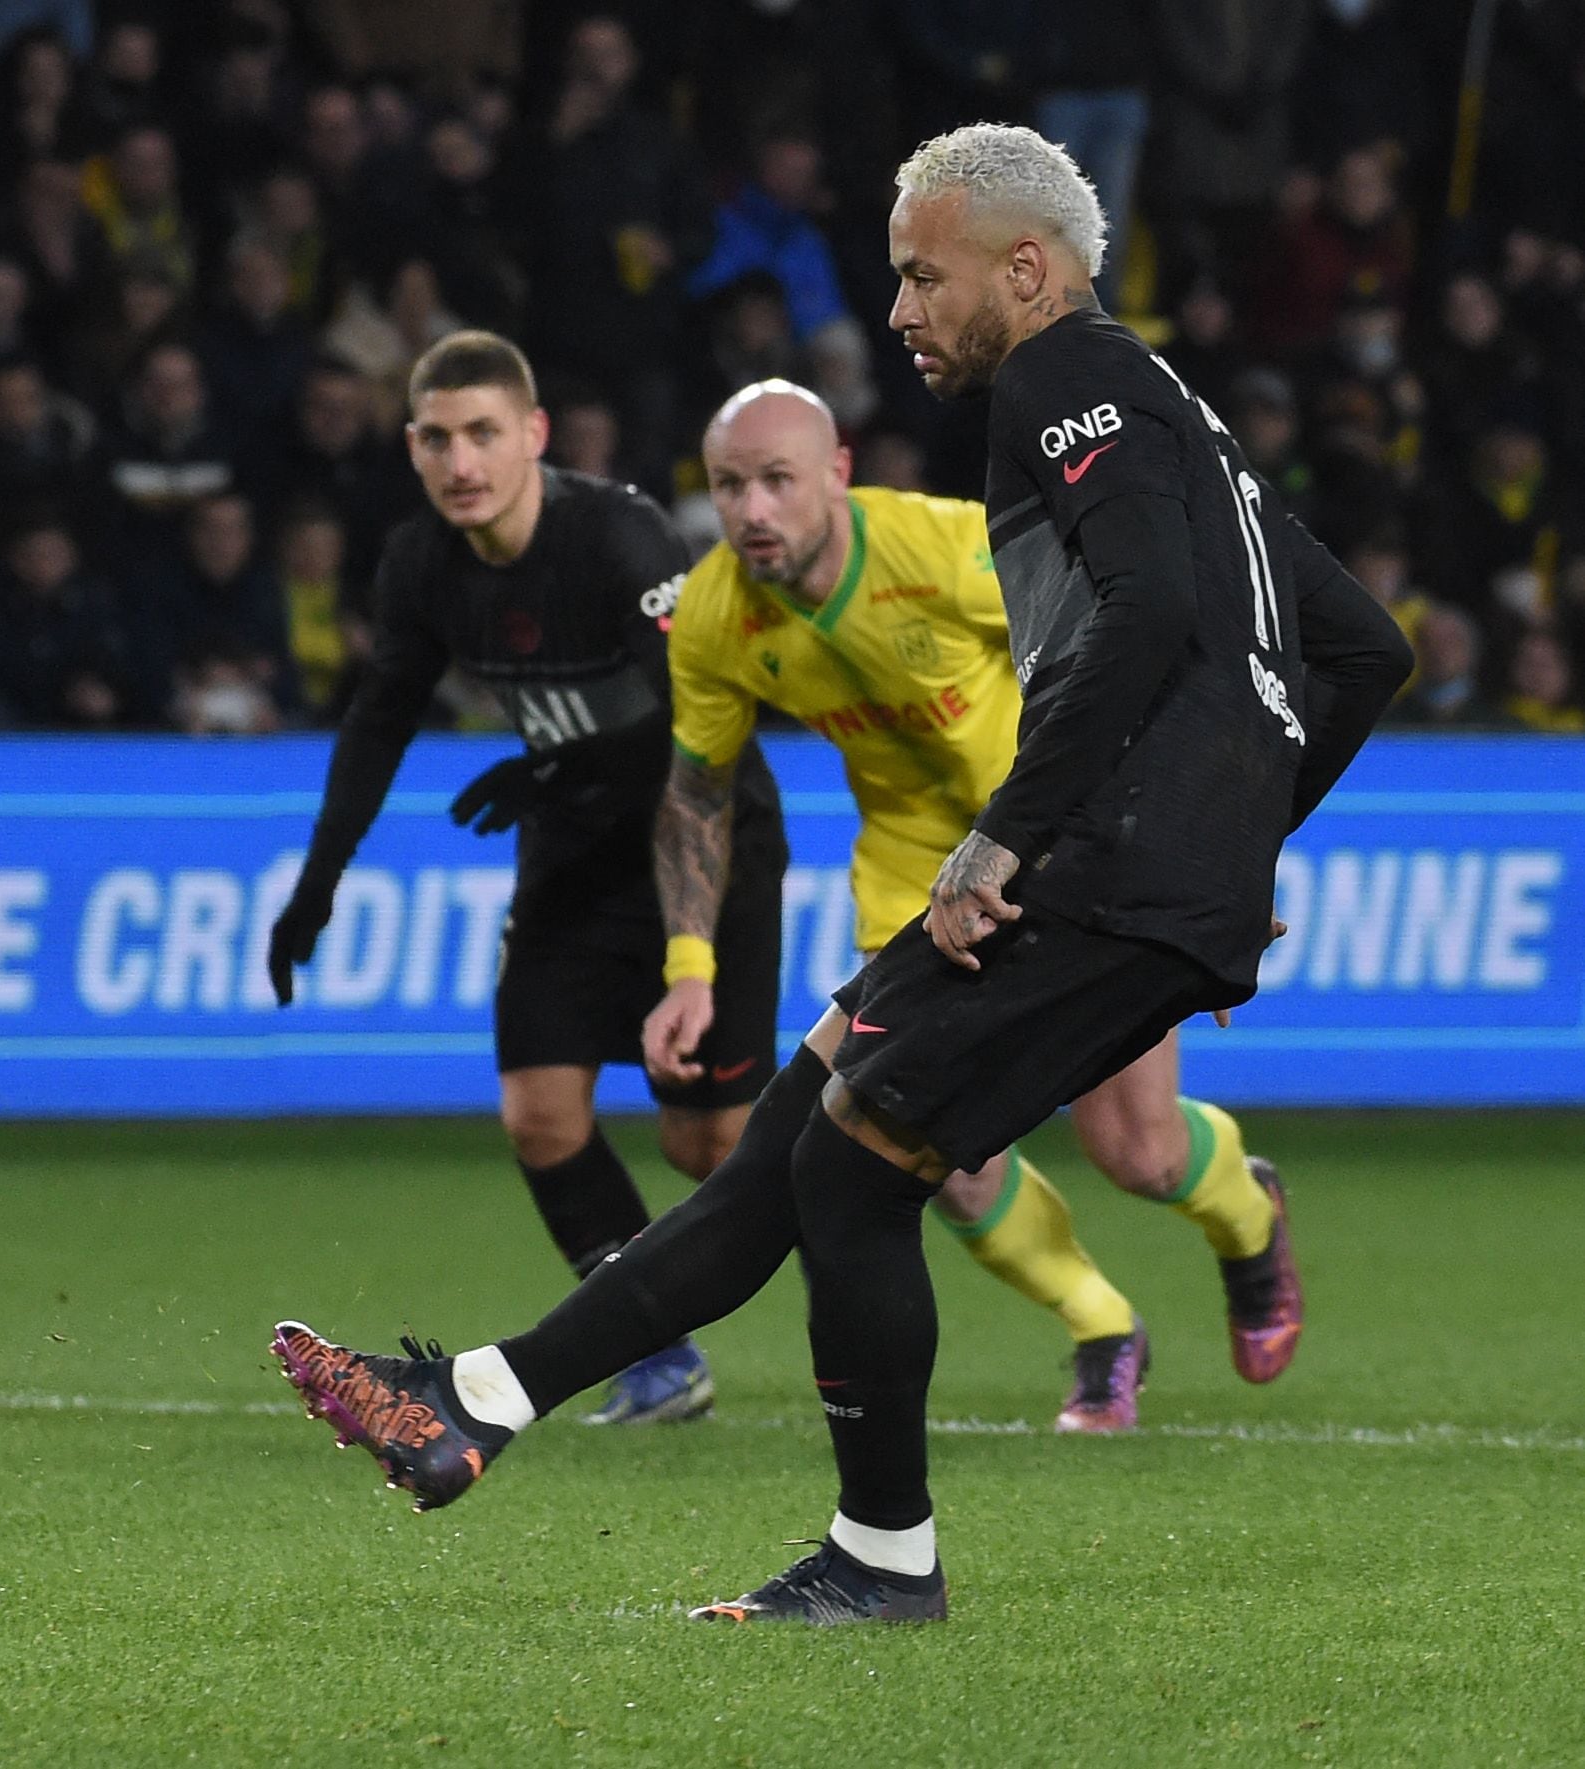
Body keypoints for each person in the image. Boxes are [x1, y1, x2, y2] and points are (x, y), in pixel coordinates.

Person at [271, 126, 1409, 1624]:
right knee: (795, 1144)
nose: (899, 311)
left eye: (919, 277)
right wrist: (1243, 835)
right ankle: (474, 1401)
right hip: (1146, 861)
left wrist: (1015, 836)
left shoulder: (1064, 374)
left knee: (850, 1179)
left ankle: (882, 1557)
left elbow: (1137, 615)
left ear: (1025, 266)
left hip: (1096, 858)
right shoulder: (1180, 423)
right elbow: (1362, 651)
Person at [649, 378, 1309, 1434]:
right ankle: (1103, 1328)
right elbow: (696, 794)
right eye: (730, 487)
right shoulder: (716, 615)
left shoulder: (950, 551)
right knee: (929, 1158)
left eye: (777, 480)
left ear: (838, 475)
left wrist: (1208, 847)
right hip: (920, 881)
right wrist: (690, 966)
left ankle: (1245, 1211)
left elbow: (1147, 647)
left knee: (1135, 1150)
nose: (753, 511)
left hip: (1072, 845)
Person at [267, 331, 787, 1427]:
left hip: (704, 843)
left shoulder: (618, 536)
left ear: (534, 436)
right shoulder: (420, 564)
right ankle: (657, 1353)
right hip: (572, 854)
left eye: (484, 434)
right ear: (411, 448)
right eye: (439, 439)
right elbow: (379, 719)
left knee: (710, 1145)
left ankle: (860, 1247)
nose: (463, 461)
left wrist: (564, 759)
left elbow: (706, 720)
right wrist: (318, 884)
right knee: (542, 1114)